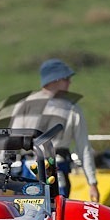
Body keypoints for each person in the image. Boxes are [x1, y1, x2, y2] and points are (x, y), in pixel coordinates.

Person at [10, 58, 99, 202]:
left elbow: (11, 143)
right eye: (67, 79)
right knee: (55, 216)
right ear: (56, 79)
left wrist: (2, 175)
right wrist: (92, 182)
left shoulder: (24, 105)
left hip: (29, 171)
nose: (70, 82)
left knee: (27, 216)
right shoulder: (72, 110)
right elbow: (83, 149)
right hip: (55, 172)